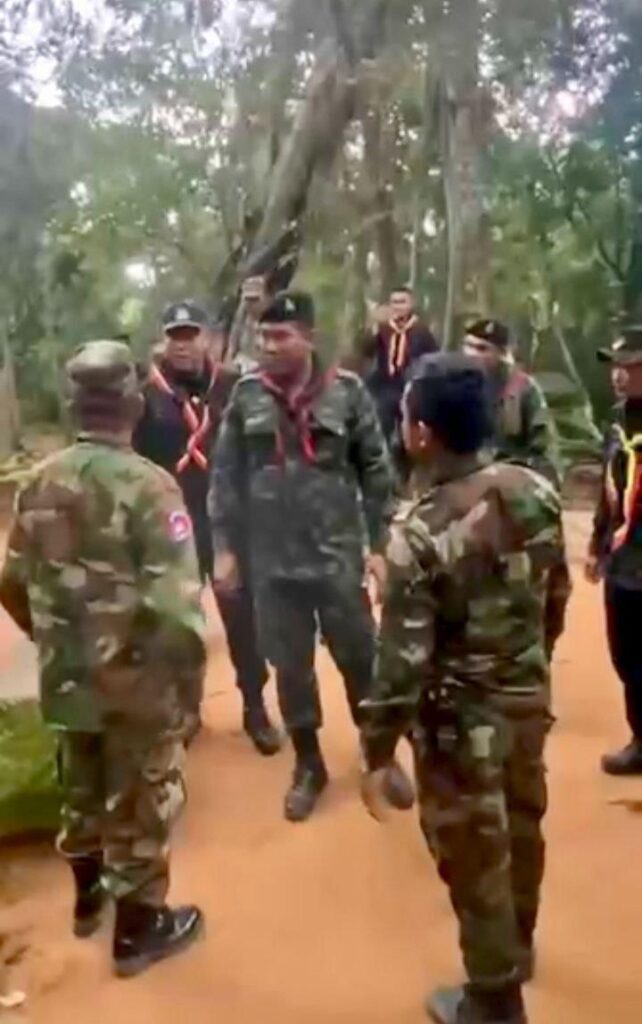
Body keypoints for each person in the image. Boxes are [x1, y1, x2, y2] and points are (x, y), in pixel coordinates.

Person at [359, 353, 570, 1024]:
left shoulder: (418, 531)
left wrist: (377, 751)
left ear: (421, 434)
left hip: (458, 723)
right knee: (523, 826)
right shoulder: (536, 491)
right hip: (525, 700)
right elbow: (555, 596)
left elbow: (402, 661)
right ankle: (518, 949)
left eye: (404, 417)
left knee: (475, 856)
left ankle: (494, 999)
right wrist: (529, 662)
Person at [0, 341, 206, 977]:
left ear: (72, 406)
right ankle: (138, 932)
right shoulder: (151, 487)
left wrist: (52, 638)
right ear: (135, 406)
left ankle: (89, 897)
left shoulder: (37, 483)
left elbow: (10, 580)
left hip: (67, 673)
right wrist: (186, 690)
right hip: (136, 682)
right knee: (141, 800)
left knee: (82, 785)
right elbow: (177, 609)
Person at [210, 290, 415, 822]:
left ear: (309, 338)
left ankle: (379, 756)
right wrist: (226, 548)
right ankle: (308, 764)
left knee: (360, 657)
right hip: (272, 562)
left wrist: (378, 547)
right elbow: (225, 475)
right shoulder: (247, 395)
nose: (269, 345)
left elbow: (377, 472)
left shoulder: (346, 392)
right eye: (264, 336)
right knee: (291, 667)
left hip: (337, 556)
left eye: (280, 336)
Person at [134, 300, 281, 756]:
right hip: (172, 521)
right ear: (162, 341)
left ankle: (254, 706)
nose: (183, 345)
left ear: (207, 337)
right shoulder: (145, 394)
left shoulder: (233, 385)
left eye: (190, 334)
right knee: (177, 621)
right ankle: (187, 708)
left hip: (228, 520)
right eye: (174, 336)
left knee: (242, 617)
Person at [586, 329, 642, 775]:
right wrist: (596, 542)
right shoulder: (617, 422)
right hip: (623, 559)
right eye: (616, 367)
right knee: (627, 654)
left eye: (631, 366)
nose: (619, 375)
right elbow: (610, 487)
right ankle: (640, 740)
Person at [462, 319, 559, 486]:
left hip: (510, 484)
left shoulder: (523, 389)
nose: (472, 354)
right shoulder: (454, 385)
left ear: (502, 354)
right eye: (468, 346)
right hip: (464, 482)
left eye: (482, 349)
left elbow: (545, 451)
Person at [363, 286, 439, 479]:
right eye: (394, 302)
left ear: (411, 304)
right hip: (386, 386)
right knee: (380, 426)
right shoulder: (382, 328)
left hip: (411, 387)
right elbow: (365, 351)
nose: (398, 307)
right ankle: (382, 472)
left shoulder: (421, 331)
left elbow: (433, 358)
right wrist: (371, 328)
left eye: (402, 302)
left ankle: (407, 473)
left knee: (410, 434)